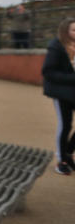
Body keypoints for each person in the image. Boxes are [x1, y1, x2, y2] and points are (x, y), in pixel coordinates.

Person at [42, 17, 75, 175]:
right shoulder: (56, 46)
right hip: (61, 92)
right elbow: (48, 72)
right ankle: (61, 160)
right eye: (74, 30)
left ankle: (68, 152)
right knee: (66, 125)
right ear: (65, 31)